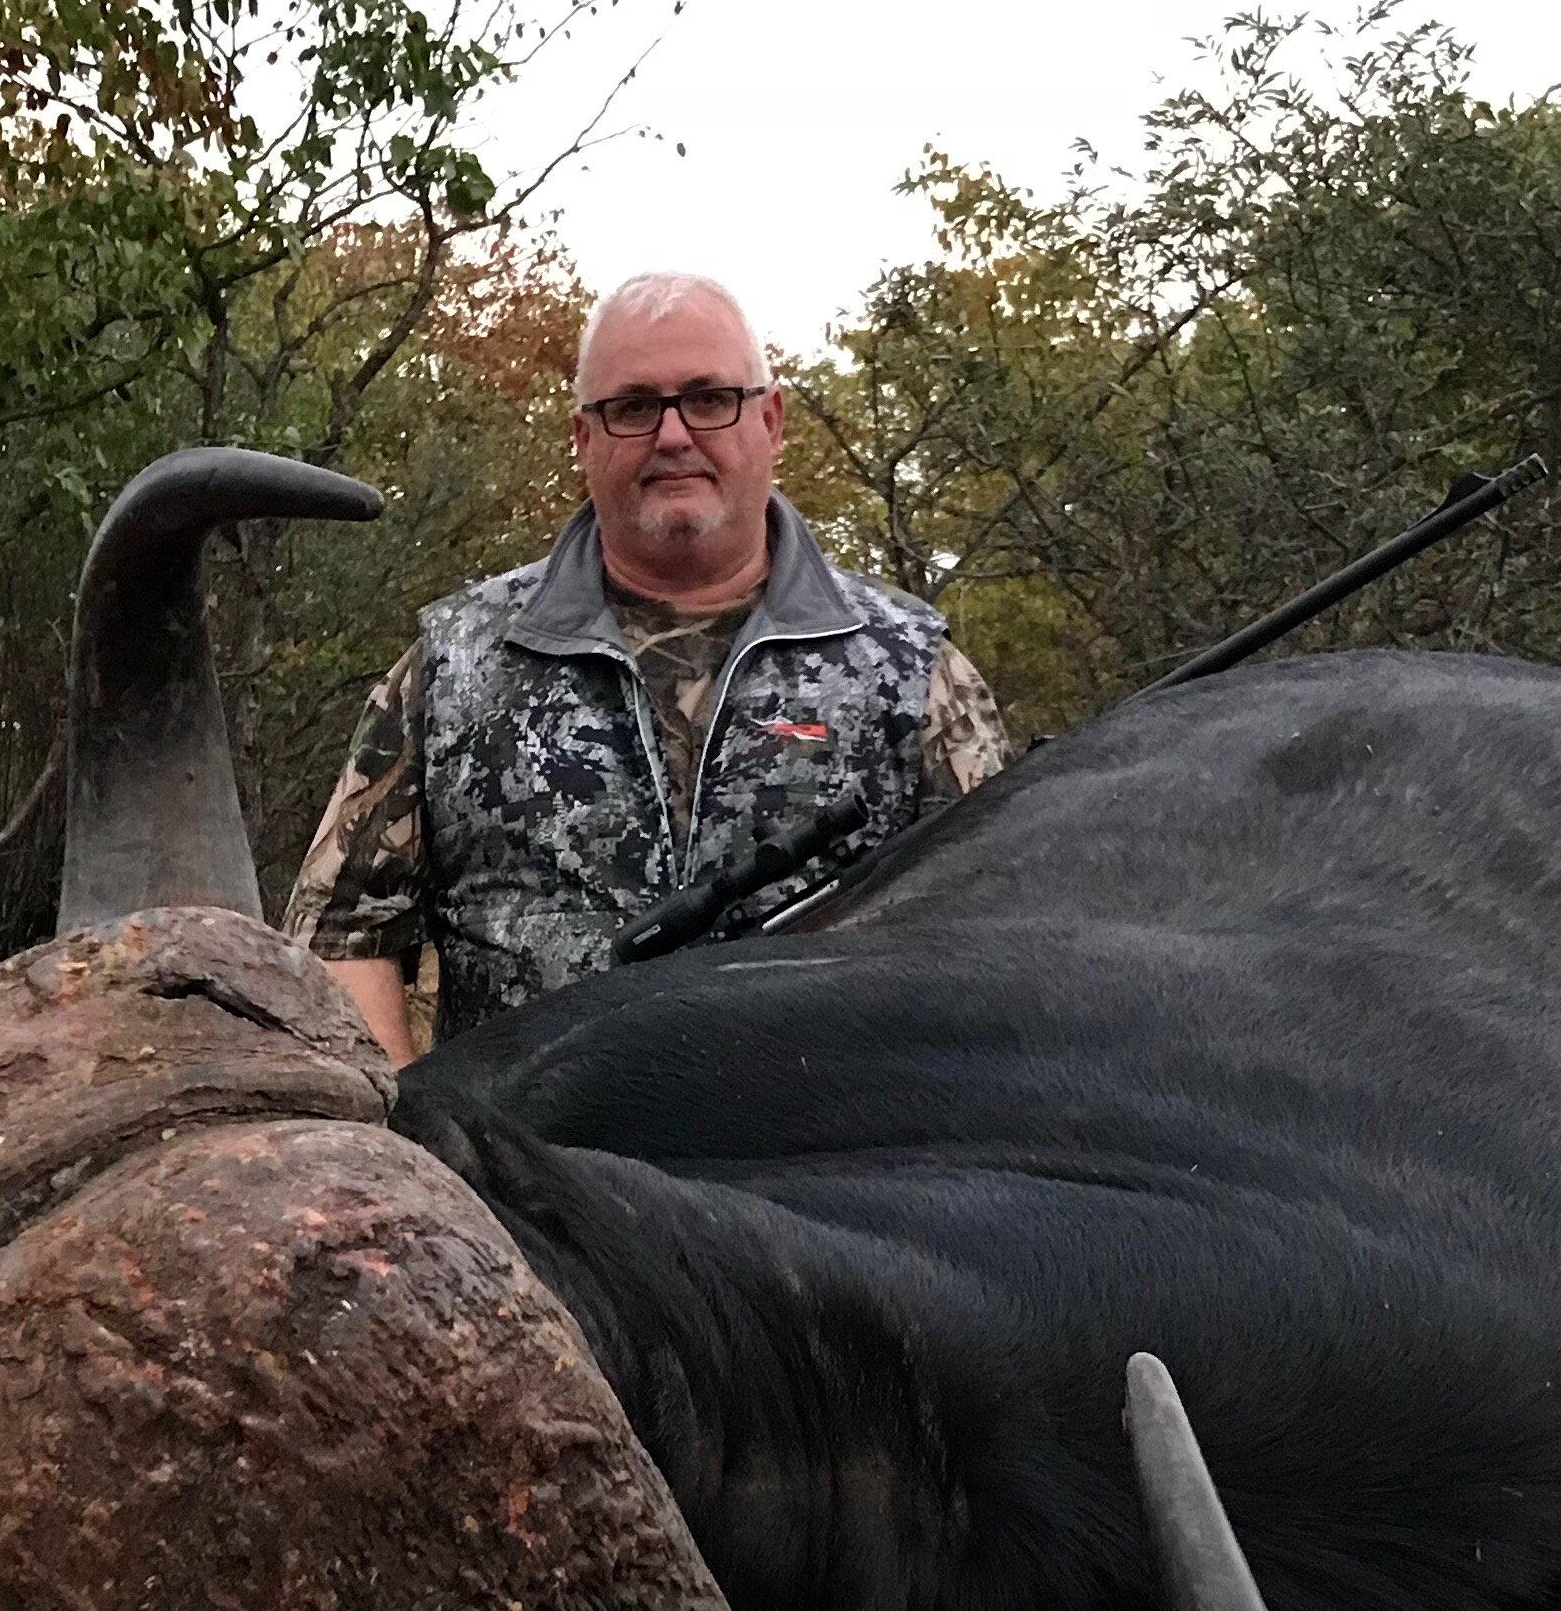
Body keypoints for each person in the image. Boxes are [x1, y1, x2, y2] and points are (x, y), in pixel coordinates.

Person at [284, 271, 1014, 1063]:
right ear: (583, 438)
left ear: (770, 420)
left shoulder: (910, 669)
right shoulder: (457, 663)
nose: (673, 435)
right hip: (514, 1173)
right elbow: (339, 935)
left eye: (709, 399)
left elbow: (1005, 946)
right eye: (632, 406)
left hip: (821, 1176)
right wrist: (410, 1149)